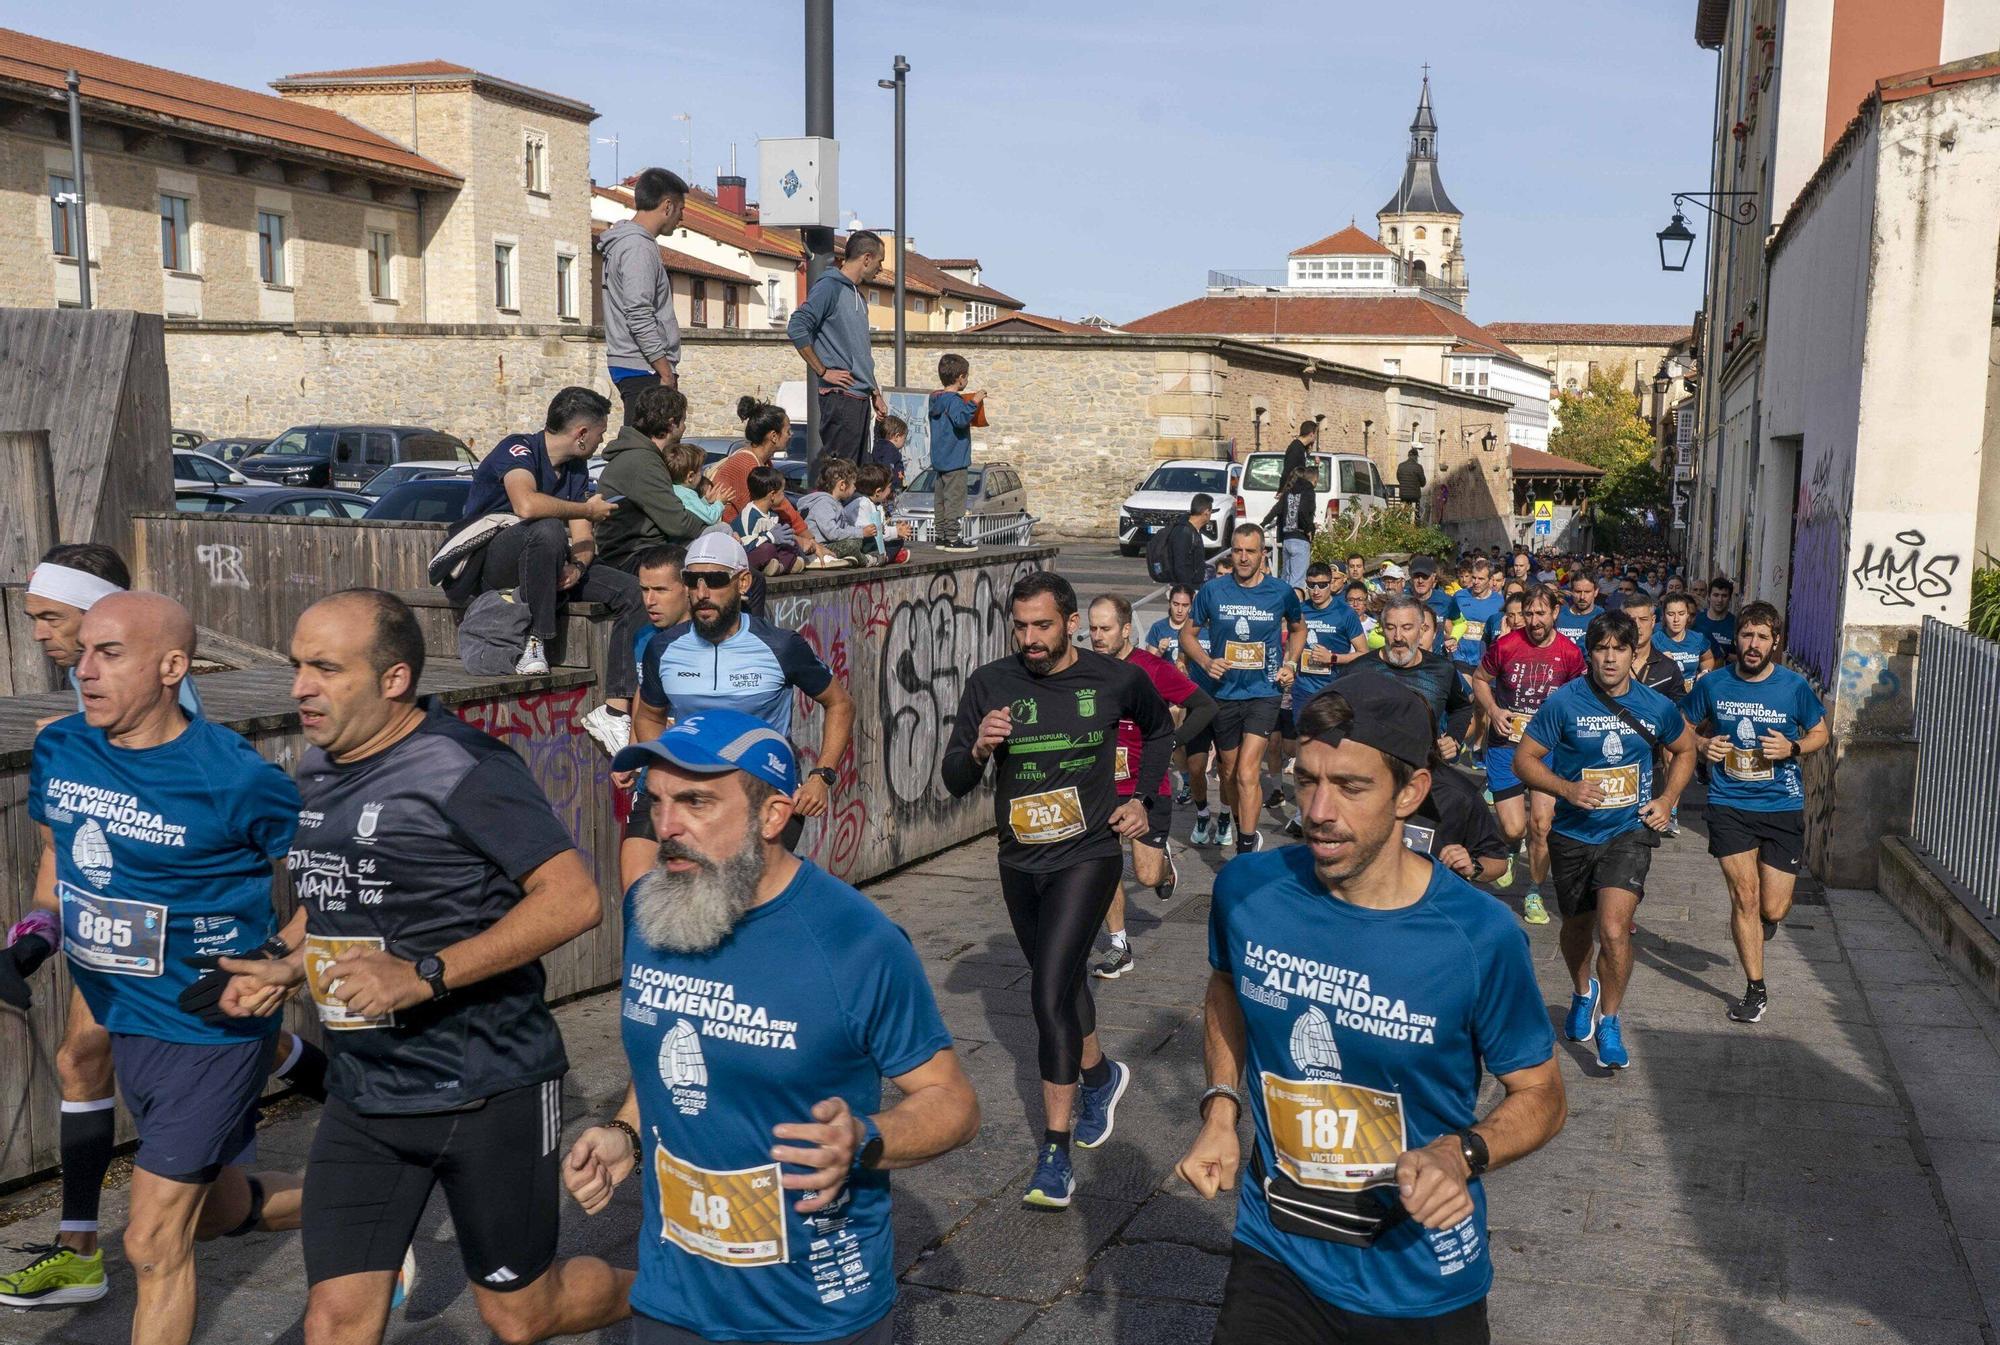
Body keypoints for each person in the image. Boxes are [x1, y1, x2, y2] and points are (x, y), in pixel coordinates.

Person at [215, 589, 631, 1345]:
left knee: (522, 1315)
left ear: (394, 678)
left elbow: (573, 899)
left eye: (326, 669)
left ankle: (687, 1289)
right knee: (334, 1320)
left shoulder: (465, 767)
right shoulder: (317, 766)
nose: (301, 687)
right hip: (365, 1093)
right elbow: (336, 897)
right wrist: (281, 962)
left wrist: (422, 974)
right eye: (297, 666)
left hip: (488, 1087)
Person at [1177, 679, 1564, 1345]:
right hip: (1278, 1251)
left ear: (1410, 792)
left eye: (1351, 787)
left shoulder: (1480, 936)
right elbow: (1226, 987)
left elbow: (1543, 1095)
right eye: (1307, 779)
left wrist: (1461, 1153)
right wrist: (1220, 1109)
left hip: (1417, 1279)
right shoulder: (1247, 890)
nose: (1319, 810)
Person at [575, 711, 978, 1345]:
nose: (667, 826)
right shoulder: (653, 910)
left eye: (696, 802)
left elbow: (952, 1102)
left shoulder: (857, 942)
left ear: (772, 816)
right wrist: (626, 1130)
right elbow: (674, 1041)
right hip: (671, 1295)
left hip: (811, 1312)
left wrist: (864, 1138)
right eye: (656, 801)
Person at [0, 555, 326, 1313]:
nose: (83, 669)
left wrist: (280, 959)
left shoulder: (233, 776)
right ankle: (363, 1199)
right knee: (210, 1214)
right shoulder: (61, 747)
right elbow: (61, 862)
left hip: (208, 1026)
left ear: (173, 667)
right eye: (83, 652)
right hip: (128, 1019)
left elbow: (338, 876)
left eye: (108, 653)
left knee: (151, 1240)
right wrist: (33, 940)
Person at [943, 572, 1173, 1209]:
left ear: (1070, 623)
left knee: (1046, 995)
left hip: (1088, 854)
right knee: (1065, 984)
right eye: (1020, 627)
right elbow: (955, 778)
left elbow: (1161, 730)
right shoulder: (990, 683)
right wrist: (980, 748)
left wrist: (1143, 802)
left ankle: (1054, 1154)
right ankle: (1101, 1076)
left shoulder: (1114, 678)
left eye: (1042, 625)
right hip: (1020, 860)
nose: (1030, 639)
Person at [1514, 611, 1696, 1070]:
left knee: (1614, 929)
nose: (1610, 658)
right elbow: (1525, 760)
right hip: (1573, 833)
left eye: (1619, 648)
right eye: (1601, 648)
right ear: (1589, 653)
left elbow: (1685, 749)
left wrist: (1667, 799)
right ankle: (1583, 992)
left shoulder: (1655, 706)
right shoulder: (1564, 703)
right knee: (1576, 929)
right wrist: (1566, 789)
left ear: (1635, 653)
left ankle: (1610, 1020)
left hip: (1627, 832)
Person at [451, 387, 645, 752]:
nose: (602, 441)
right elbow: (525, 505)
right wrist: (587, 510)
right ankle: (535, 641)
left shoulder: (575, 468)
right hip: (491, 564)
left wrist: (578, 566)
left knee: (632, 592)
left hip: (548, 562)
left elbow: (583, 536)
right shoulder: (518, 449)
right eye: (601, 433)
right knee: (547, 527)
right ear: (582, 433)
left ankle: (615, 710)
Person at [636, 532, 855, 848]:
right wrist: (669, 769)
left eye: (715, 581)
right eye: (692, 581)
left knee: (739, 880)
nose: (702, 593)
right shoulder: (663, 648)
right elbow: (649, 716)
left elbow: (840, 704)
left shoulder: (781, 646)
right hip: (694, 796)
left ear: (742, 583)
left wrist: (822, 776)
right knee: (639, 873)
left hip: (766, 793)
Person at [1679, 601, 1829, 1024]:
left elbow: (1820, 732)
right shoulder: (1714, 684)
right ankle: (1755, 988)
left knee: (1773, 908)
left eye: (1763, 637)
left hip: (1782, 804)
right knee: (1744, 895)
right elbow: (1682, 726)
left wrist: (1793, 747)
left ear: (1774, 642)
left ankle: (1763, 921)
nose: (1753, 644)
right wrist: (1703, 745)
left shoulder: (1793, 687)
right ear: (1737, 637)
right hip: (1729, 804)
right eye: (1747, 635)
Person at [1086, 594, 1216, 979]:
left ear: (1126, 629)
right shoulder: (1086, 670)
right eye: (1092, 629)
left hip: (1146, 784)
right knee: (1104, 866)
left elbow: (1206, 706)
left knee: (1145, 875)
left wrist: (1172, 742)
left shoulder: (1152, 669)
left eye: (1105, 629)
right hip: (1101, 785)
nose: (1097, 636)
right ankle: (1119, 946)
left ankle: (1164, 869)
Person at [1181, 525, 1306, 855]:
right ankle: (1243, 828)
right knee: (1230, 772)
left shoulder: (1280, 592)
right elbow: (1187, 635)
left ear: (1263, 554)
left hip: (1264, 691)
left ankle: (1245, 850)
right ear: (1231, 553)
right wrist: (1206, 662)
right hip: (1224, 693)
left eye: (1251, 551)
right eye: (1237, 550)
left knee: (1249, 771)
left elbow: (1298, 629)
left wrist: (1291, 663)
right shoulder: (1213, 591)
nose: (1244, 557)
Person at [1471, 585, 1585, 924]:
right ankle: (1509, 847)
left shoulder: (1570, 653)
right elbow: (1479, 679)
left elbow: (1579, 696)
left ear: (1555, 613)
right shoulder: (1506, 645)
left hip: (1546, 750)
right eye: (1529, 614)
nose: (1534, 621)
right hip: (1506, 746)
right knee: (1513, 827)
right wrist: (1493, 710)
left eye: (1541, 613)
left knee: (1542, 825)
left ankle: (1534, 891)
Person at [614, 545, 690, 891]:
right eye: (644, 589)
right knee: (635, 886)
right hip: (653, 781)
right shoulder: (644, 636)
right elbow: (644, 700)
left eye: (660, 589)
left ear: (687, 589)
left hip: (697, 782)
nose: (649, 601)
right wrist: (632, 753)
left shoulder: (709, 639)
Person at [788, 231, 889, 464]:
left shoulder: (857, 296)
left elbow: (858, 352)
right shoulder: (829, 287)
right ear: (866, 258)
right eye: (880, 261)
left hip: (859, 397)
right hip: (842, 399)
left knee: (857, 474)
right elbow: (797, 326)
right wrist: (823, 371)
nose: (880, 268)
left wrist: (874, 392)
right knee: (842, 473)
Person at [1335, 596, 1474, 761]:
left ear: (1421, 630)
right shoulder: (1358, 670)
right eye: (1390, 628)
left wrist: (1453, 738)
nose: (1398, 637)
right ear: (1382, 629)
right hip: (1369, 771)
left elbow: (1462, 708)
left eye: (1407, 628)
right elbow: (1332, 715)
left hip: (1423, 769)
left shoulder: (1442, 669)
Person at [597, 385, 720, 569]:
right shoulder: (643, 462)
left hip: (647, 550)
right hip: (633, 556)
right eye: (683, 421)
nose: (685, 427)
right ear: (671, 423)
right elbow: (679, 523)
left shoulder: (644, 456)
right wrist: (713, 527)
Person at [601, 167, 686, 417]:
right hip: (643, 368)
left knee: (643, 439)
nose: (681, 218)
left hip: (638, 365)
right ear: (667, 206)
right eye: (681, 209)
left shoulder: (630, 243)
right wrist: (665, 372)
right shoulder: (638, 247)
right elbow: (639, 313)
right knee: (644, 440)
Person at [711, 396, 832, 566]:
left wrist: (811, 540)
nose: (791, 435)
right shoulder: (746, 464)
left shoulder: (763, 463)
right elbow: (758, 516)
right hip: (738, 540)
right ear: (774, 436)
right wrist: (802, 541)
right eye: (788, 431)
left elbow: (783, 506)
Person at [1403, 746, 1511, 885]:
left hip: (1433, 896)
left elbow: (1497, 859)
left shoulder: (1458, 794)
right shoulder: (1375, 783)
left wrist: (1472, 867)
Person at [1147, 585, 1210, 813]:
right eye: (1176, 604)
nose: (1180, 610)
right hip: (1165, 694)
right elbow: (1147, 664)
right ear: (1169, 604)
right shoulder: (1159, 628)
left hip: (1190, 693)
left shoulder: (1200, 631)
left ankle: (1193, 777)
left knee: (1180, 735)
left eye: (1185, 605)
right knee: (1173, 743)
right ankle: (1186, 779)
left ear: (1192, 606)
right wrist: (1159, 651)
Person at [929, 353, 984, 552]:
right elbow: (961, 419)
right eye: (966, 376)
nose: (967, 380)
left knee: (940, 500)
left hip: (940, 460)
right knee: (955, 499)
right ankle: (952, 538)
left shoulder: (935, 398)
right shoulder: (954, 400)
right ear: (960, 378)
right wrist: (974, 402)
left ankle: (941, 536)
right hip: (955, 460)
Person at [796, 459, 872, 563]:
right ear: (842, 485)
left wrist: (862, 531)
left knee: (859, 540)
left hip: (830, 543)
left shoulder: (836, 503)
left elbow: (844, 527)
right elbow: (832, 533)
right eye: (854, 484)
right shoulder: (823, 503)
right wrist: (861, 532)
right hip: (820, 547)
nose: (855, 488)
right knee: (852, 544)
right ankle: (865, 560)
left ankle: (851, 558)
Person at [736, 466, 808, 576]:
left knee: (790, 546)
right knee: (767, 549)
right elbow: (746, 546)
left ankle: (778, 566)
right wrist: (769, 537)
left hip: (772, 555)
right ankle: (782, 566)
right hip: (748, 556)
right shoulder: (749, 515)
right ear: (773, 495)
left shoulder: (773, 515)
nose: (784, 496)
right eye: (782, 492)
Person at [847, 462, 913, 565]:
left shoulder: (875, 504)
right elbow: (873, 534)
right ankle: (885, 557)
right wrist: (896, 531)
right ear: (878, 492)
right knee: (886, 543)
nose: (890, 490)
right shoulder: (861, 505)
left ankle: (886, 555)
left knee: (898, 542)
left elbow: (881, 529)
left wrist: (897, 530)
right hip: (860, 543)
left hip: (871, 541)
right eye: (889, 487)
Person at [1265, 464, 1317, 593]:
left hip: (1287, 539)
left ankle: (1283, 603)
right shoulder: (1308, 491)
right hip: (1300, 538)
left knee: (1286, 579)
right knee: (1298, 582)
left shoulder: (1289, 492)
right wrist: (1309, 528)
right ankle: (1293, 605)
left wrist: (1262, 524)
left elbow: (1276, 509)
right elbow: (1303, 512)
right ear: (1315, 480)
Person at [1448, 557, 1503, 675]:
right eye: (1474, 577)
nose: (1476, 582)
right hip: (1460, 658)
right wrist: (1451, 638)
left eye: (1481, 579)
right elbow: (1449, 620)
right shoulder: (1459, 596)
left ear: (1490, 580)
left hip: (1485, 662)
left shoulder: (1500, 602)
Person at [1158, 493, 1213, 595]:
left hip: (1192, 588)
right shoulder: (1183, 533)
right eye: (1211, 511)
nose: (1210, 515)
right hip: (1184, 591)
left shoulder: (1193, 530)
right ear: (1206, 512)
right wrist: (1188, 592)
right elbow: (1180, 566)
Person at [1655, 592, 1709, 687]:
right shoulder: (1655, 641)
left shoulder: (1698, 638)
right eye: (1671, 614)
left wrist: (1705, 671)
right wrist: (1659, 664)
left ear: (1687, 615)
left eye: (1681, 613)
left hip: (1692, 693)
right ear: (1664, 615)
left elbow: (1708, 658)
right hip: (1665, 693)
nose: (1676, 619)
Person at [1693, 576, 1738, 667]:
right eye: (1716, 595)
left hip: (1726, 673)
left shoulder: (1736, 624)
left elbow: (1743, 659)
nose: (1720, 600)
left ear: (1730, 598)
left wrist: (1724, 655)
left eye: (1724, 596)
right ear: (1709, 597)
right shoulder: (1696, 620)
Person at [1552, 572, 1603, 645]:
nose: (1582, 597)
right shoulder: (1558, 613)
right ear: (1571, 591)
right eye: (1578, 592)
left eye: (1587, 592)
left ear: (1596, 592)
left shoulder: (1602, 617)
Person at [871, 412, 909, 487]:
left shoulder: (878, 445)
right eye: (904, 438)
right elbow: (886, 469)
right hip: (891, 487)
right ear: (897, 436)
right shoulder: (891, 451)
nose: (905, 441)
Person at [1281, 419, 1317, 487]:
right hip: (1292, 490)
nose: (1316, 437)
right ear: (1311, 434)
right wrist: (1282, 490)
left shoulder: (1302, 448)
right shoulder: (1295, 448)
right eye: (1315, 434)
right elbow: (1287, 472)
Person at [1396, 446, 1428, 519]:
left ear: (1408, 456)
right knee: (1415, 514)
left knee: (1403, 513)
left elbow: (1399, 478)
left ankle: (1403, 520)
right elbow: (1423, 483)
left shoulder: (1401, 466)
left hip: (1403, 495)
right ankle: (1415, 520)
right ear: (1416, 457)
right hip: (1414, 496)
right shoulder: (1418, 467)